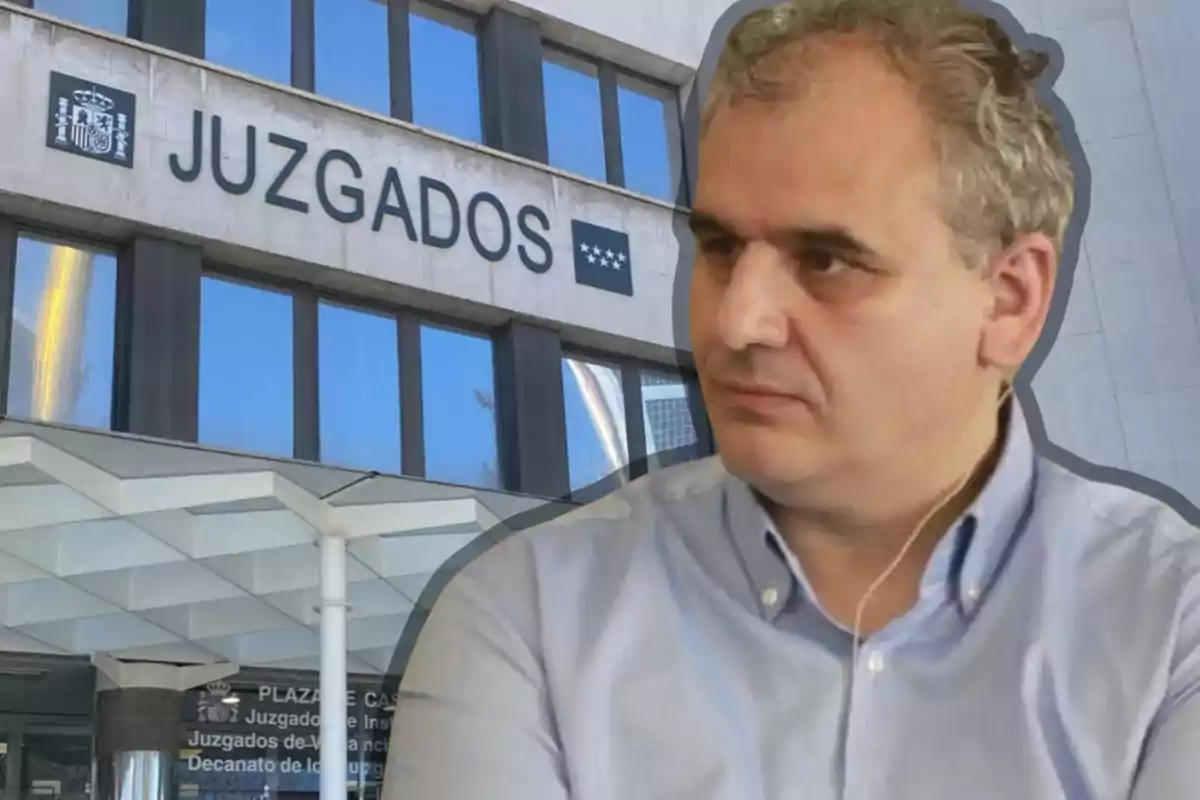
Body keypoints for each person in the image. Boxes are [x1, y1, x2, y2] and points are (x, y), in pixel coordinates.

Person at [382, 1, 1200, 797]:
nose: (738, 320)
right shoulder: (530, 622)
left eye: (827, 260)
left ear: (1010, 300)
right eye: (721, 247)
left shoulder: (1170, 628)